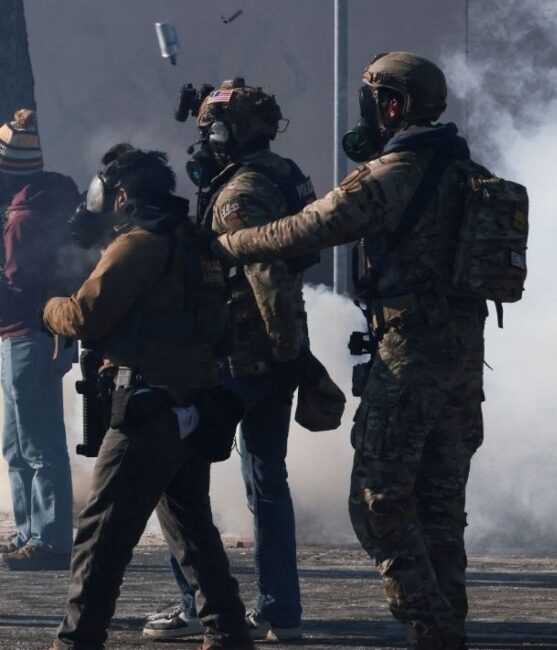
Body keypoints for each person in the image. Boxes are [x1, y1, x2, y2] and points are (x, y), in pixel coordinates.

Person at [211, 52, 489, 650]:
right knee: (440, 507)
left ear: (392, 106)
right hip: (465, 359)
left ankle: (433, 625)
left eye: (370, 98)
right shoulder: (468, 171)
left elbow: (309, 227)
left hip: (408, 354)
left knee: (376, 502)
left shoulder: (393, 174)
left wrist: (232, 244)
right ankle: (444, 632)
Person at [45, 144, 253, 650]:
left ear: (121, 197)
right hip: (193, 406)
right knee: (192, 531)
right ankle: (227, 632)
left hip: (147, 410)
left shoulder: (138, 244)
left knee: (101, 535)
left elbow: (85, 316)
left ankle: (76, 641)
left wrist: (49, 308)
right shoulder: (196, 244)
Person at [143, 78, 316, 644]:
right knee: (268, 483)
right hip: (274, 356)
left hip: (236, 358)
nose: (204, 142)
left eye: (210, 131)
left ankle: (199, 604)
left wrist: (281, 350)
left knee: (182, 482)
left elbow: (264, 274)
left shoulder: (239, 194)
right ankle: (281, 611)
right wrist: (292, 355)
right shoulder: (282, 175)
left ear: (228, 133)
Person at [0, 109, 80, 571]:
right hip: (36, 334)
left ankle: (49, 540)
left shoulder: (22, 219)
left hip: (27, 335)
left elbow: (16, 284)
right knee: (18, 444)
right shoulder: (47, 203)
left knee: (37, 443)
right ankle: (30, 531)